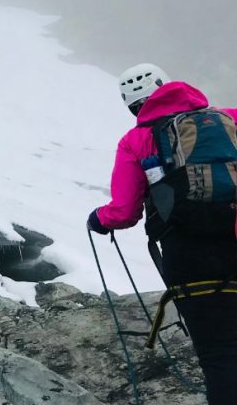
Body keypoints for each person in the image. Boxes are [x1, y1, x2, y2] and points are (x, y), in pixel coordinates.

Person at [87, 63, 237, 403]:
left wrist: (98, 219)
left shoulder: (136, 140)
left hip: (189, 256)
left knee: (221, 354)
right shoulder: (228, 118)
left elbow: (124, 212)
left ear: (131, 105)